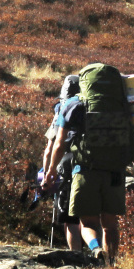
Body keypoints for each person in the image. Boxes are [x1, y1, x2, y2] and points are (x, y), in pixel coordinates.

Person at [39, 66, 134, 262]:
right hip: (115, 173)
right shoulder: (122, 106)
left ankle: (95, 249)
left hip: (85, 171)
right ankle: (110, 264)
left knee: (87, 223)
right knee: (110, 225)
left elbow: (59, 144)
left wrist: (51, 171)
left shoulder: (73, 104)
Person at [39, 75, 87, 250]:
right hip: (92, 163)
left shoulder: (62, 108)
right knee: (90, 219)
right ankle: (99, 256)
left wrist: (47, 175)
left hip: (67, 166)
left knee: (70, 219)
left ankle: (76, 258)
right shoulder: (91, 106)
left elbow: (50, 148)